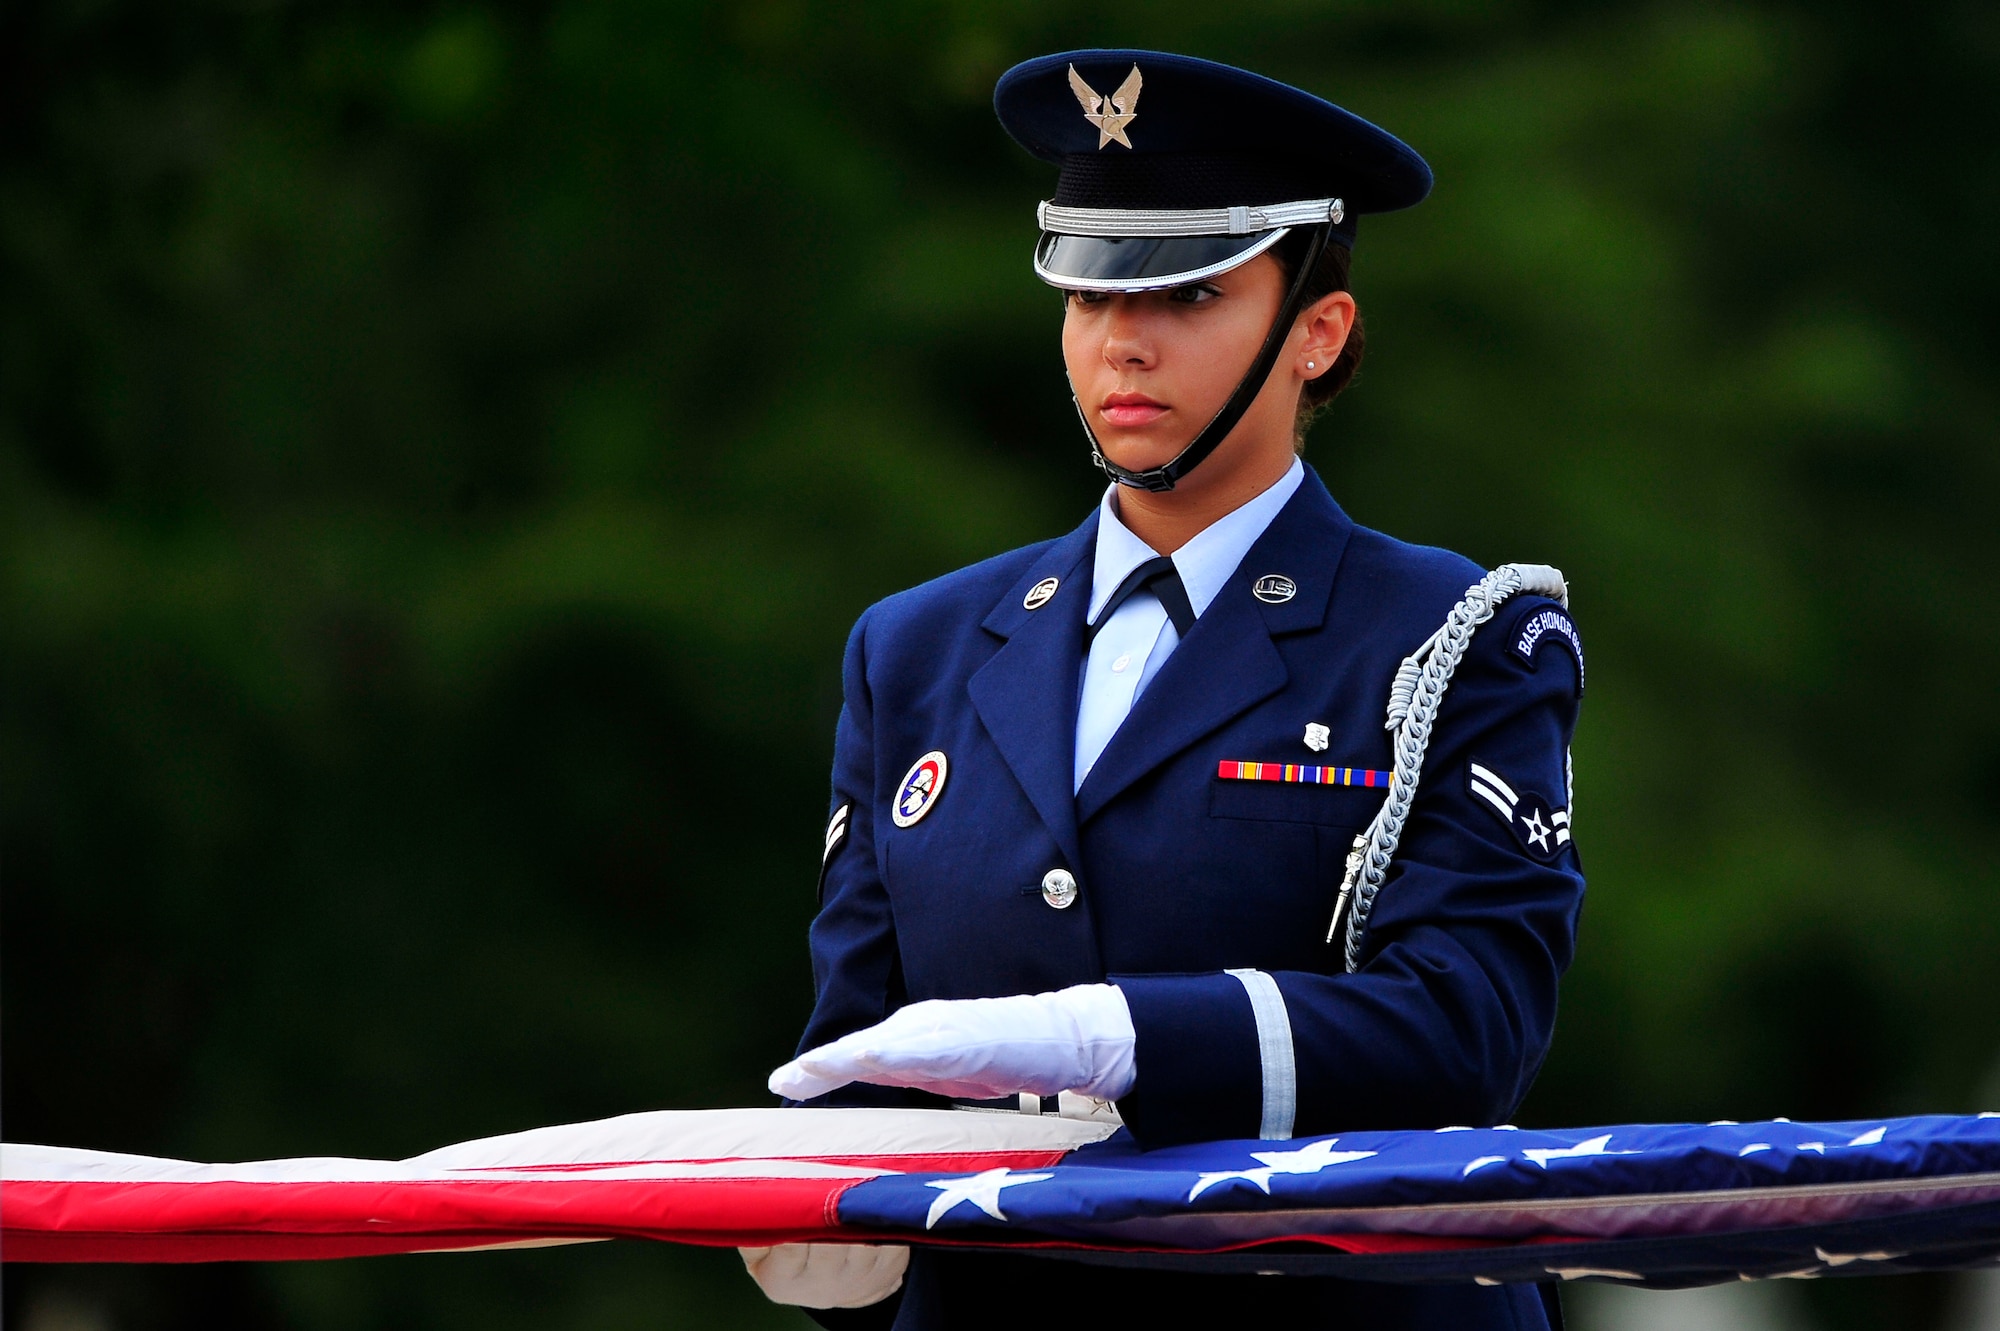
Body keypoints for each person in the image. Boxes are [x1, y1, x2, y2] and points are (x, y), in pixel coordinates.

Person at [742, 49, 1586, 1330]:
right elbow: (864, 1059)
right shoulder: (913, 647)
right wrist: (829, 1251)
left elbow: (1470, 1027)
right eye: (1086, 297)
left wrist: (1123, 1034)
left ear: (1318, 329)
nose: (1121, 338)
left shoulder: (1452, 632)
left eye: (1187, 293)